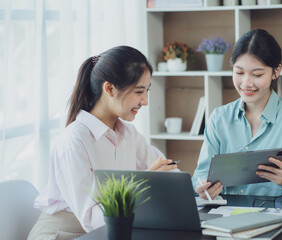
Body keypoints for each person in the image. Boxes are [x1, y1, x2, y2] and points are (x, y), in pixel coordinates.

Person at [28, 46, 178, 240]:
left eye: (147, 91)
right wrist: (144, 184)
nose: (145, 101)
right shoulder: (75, 141)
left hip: (109, 231)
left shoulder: (127, 133)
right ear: (109, 88)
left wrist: (193, 188)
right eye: (139, 91)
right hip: (63, 234)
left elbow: (166, 169)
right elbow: (92, 218)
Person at [192, 29, 282, 202]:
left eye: (257, 74)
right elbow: (202, 174)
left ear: (276, 71)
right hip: (228, 220)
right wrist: (203, 188)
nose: (246, 83)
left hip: (279, 220)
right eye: (239, 72)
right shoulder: (219, 118)